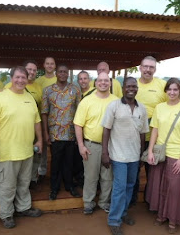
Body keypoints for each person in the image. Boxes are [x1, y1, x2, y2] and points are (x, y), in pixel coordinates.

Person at [0, 66, 43, 229]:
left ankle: (24, 208)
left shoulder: (29, 98)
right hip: (5, 152)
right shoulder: (0, 97)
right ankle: (7, 214)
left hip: (26, 151)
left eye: (23, 77)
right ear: (11, 78)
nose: (20, 80)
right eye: (17, 77)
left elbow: (37, 121)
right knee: (6, 186)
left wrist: (39, 140)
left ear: (27, 79)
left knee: (24, 183)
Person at [145, 77, 180, 234]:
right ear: (165, 91)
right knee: (160, 186)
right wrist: (151, 151)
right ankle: (161, 215)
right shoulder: (159, 107)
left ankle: (173, 219)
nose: (172, 92)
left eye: (175, 89)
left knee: (175, 189)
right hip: (161, 153)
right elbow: (155, 130)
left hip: (176, 154)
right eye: (169, 89)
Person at [102, 77, 149, 235]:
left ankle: (122, 213)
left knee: (130, 187)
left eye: (134, 86)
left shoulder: (141, 108)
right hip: (118, 156)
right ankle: (114, 220)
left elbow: (143, 133)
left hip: (134, 156)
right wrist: (104, 153)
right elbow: (106, 130)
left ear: (137, 89)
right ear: (123, 88)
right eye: (128, 86)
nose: (131, 89)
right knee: (120, 188)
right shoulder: (114, 106)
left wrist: (142, 153)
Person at [74, 72, 118, 215]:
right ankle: (88, 203)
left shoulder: (117, 101)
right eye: (100, 80)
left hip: (111, 145)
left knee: (107, 176)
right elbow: (78, 124)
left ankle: (104, 202)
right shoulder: (86, 101)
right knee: (91, 176)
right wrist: (81, 145)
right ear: (95, 83)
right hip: (91, 145)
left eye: (106, 81)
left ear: (110, 83)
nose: (103, 83)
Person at [131, 56, 167, 206]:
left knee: (153, 171)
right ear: (140, 68)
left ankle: (151, 201)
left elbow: (170, 107)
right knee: (133, 170)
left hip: (155, 137)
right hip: (133, 137)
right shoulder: (132, 85)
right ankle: (131, 200)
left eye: (151, 67)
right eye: (145, 66)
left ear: (155, 69)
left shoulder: (162, 85)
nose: (148, 69)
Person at [41, 64, 81, 200]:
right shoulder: (48, 91)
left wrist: (78, 134)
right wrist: (46, 133)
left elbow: (79, 112)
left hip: (71, 133)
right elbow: (45, 113)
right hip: (55, 133)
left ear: (68, 73)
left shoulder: (75, 90)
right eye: (60, 72)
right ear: (56, 73)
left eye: (65, 72)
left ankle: (69, 186)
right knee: (56, 162)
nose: (62, 74)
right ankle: (54, 188)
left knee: (69, 162)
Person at [5, 60, 43, 187]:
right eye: (29, 69)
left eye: (34, 70)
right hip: (14, 132)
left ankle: (32, 179)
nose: (32, 72)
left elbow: (39, 111)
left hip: (33, 127)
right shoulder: (5, 90)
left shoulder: (38, 87)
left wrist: (40, 137)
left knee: (35, 155)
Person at [36, 57, 57, 181]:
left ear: (55, 66)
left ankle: (55, 172)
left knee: (55, 148)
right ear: (43, 65)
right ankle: (41, 171)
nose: (49, 66)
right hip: (41, 118)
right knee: (42, 147)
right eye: (47, 63)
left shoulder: (58, 80)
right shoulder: (39, 81)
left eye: (52, 64)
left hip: (55, 120)